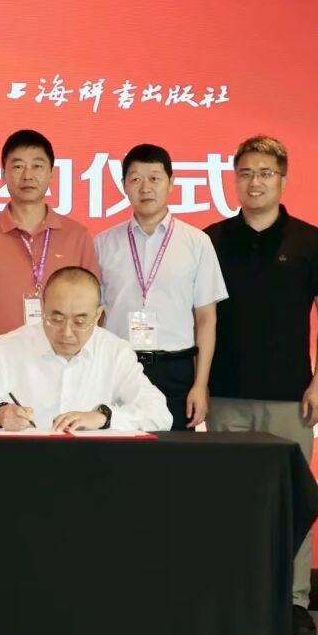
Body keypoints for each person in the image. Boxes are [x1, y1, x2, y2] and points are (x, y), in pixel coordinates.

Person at [205, 135, 318, 635]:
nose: (254, 182)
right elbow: (201, 319)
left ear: (282, 180)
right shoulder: (212, 239)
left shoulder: (310, 241)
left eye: (264, 173)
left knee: (291, 501)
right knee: (227, 502)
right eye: (244, 173)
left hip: (290, 398)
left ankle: (294, 600)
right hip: (225, 397)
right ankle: (231, 598)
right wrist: (200, 383)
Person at [94, 144, 228, 430]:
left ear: (171, 182)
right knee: (118, 450)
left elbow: (206, 319)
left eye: (154, 178)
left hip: (176, 370)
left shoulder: (197, 242)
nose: (145, 188)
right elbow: (95, 317)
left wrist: (200, 384)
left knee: (175, 454)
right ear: (123, 185)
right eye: (136, 179)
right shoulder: (103, 244)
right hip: (119, 366)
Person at [0, 266, 171, 432]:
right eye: (56, 319)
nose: (67, 332)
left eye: (80, 321)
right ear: (42, 307)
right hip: (23, 461)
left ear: (98, 315)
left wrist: (104, 417)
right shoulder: (6, 349)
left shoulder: (115, 351)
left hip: (94, 465)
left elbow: (160, 414)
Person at [0, 129, 100, 385]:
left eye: (37, 166)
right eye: (17, 166)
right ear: (3, 174)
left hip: (64, 362)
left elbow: (92, 310)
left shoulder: (77, 235)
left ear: (51, 173)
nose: (27, 175)